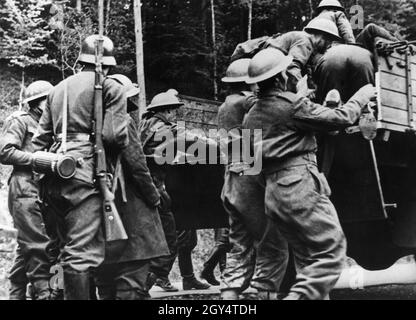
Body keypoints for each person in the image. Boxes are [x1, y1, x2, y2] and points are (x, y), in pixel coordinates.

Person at [243, 48, 376, 300]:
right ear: (281, 77)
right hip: (300, 188)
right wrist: (362, 94)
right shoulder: (291, 105)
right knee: (330, 251)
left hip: (273, 194)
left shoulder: (251, 116)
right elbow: (342, 117)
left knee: (308, 260)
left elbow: (253, 163)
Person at [32, 35, 129, 300]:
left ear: (80, 60)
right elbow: (114, 137)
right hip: (87, 176)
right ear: (108, 64)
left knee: (67, 249)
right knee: (81, 256)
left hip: (54, 174)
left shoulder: (58, 89)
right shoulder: (112, 88)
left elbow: (39, 141)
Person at [216, 59, 289, 300]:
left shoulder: (224, 106)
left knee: (239, 248)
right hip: (252, 182)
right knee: (272, 246)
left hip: (232, 182)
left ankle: (229, 299)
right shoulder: (248, 102)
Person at [94, 75, 169, 300]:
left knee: (106, 281)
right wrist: (154, 196)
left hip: (97, 205)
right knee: (132, 277)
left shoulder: (90, 121)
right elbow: (137, 165)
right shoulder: (123, 121)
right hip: (127, 207)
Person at [141, 90, 210, 292]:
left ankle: (179, 277)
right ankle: (146, 285)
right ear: (167, 111)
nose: (175, 115)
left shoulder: (145, 125)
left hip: (147, 187)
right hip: (157, 188)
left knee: (174, 236)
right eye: (173, 111)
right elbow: (189, 139)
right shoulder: (163, 128)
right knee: (170, 240)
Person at [0, 80, 54, 300]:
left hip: (41, 188)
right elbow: (5, 152)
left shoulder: (48, 124)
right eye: (47, 100)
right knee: (37, 244)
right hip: (24, 186)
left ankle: (16, 295)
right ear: (36, 103)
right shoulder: (21, 121)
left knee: (27, 247)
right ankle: (44, 295)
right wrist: (35, 159)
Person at [231, 18, 341, 92]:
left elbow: (305, 72)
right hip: (248, 68)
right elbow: (293, 68)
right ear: (322, 37)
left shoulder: (304, 42)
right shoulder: (305, 41)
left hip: (254, 68)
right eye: (329, 41)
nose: (328, 46)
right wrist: (302, 92)